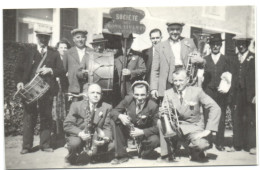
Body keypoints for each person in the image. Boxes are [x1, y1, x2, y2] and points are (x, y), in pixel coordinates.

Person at [15, 28, 65, 154]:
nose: (43, 40)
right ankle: (26, 146)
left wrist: (51, 70)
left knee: (46, 117)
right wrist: (20, 82)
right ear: (37, 37)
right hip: (30, 90)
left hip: (47, 90)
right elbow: (18, 70)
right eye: (41, 37)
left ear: (49, 39)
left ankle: (45, 144)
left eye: (46, 37)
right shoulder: (28, 51)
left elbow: (61, 70)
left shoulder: (54, 53)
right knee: (29, 117)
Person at [157, 69, 221, 162]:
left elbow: (215, 108)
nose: (177, 83)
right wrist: (162, 112)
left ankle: (192, 149)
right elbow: (164, 115)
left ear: (187, 80)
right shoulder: (168, 93)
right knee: (160, 122)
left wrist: (208, 130)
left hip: (193, 128)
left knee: (202, 144)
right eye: (175, 80)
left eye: (181, 80)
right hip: (176, 128)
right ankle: (167, 154)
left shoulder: (197, 91)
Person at [150, 22, 205, 103]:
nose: (175, 32)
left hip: (185, 80)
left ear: (181, 30)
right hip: (167, 83)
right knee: (169, 108)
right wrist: (154, 88)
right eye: (172, 29)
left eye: (177, 29)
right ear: (168, 30)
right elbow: (155, 69)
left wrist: (199, 60)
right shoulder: (160, 46)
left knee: (185, 106)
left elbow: (198, 62)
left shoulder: (190, 42)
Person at [110, 80, 160, 164]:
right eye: (136, 94)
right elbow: (113, 111)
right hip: (130, 131)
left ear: (147, 94)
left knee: (155, 140)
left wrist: (142, 132)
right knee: (115, 120)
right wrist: (120, 116)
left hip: (144, 135)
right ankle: (121, 156)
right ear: (133, 94)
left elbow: (157, 128)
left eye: (142, 95)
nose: (139, 98)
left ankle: (144, 152)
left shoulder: (153, 106)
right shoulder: (127, 99)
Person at [63, 83, 114, 165]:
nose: (95, 95)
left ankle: (93, 155)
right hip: (80, 135)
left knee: (112, 145)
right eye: (92, 93)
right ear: (87, 94)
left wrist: (105, 139)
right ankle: (73, 153)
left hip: (96, 137)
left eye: (98, 93)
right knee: (74, 144)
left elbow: (107, 127)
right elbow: (67, 124)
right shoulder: (76, 105)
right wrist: (80, 133)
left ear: (101, 94)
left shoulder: (107, 107)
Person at [202, 33, 231, 151]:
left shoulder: (226, 59)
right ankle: (208, 141)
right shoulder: (205, 59)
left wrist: (225, 88)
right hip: (208, 91)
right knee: (207, 115)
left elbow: (229, 76)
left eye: (218, 44)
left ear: (221, 45)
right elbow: (200, 76)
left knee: (221, 116)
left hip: (221, 92)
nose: (215, 47)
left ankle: (220, 142)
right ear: (210, 45)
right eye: (213, 44)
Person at [229, 36, 256, 154]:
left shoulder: (255, 58)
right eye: (238, 44)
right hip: (237, 94)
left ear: (248, 44)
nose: (241, 46)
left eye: (243, 43)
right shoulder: (234, 58)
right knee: (237, 118)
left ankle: (251, 145)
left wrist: (256, 94)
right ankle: (237, 145)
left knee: (250, 119)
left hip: (250, 94)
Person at [114, 34, 146, 104]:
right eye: (124, 40)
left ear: (132, 41)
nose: (126, 42)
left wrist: (131, 72)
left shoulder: (138, 55)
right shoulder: (115, 55)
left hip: (131, 89)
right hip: (117, 90)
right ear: (121, 41)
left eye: (129, 40)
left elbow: (143, 70)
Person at [50, 39, 71, 148]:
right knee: (55, 112)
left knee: (65, 112)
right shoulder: (54, 59)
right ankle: (56, 136)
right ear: (57, 49)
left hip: (65, 88)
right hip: (56, 89)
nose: (63, 49)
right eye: (61, 47)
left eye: (65, 47)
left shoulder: (69, 58)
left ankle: (64, 136)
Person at [63, 28, 93, 102]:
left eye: (82, 37)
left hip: (88, 87)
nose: (80, 39)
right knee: (74, 110)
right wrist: (67, 89)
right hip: (73, 89)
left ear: (85, 39)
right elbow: (63, 71)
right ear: (73, 39)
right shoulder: (68, 53)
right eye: (78, 37)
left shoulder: (92, 52)